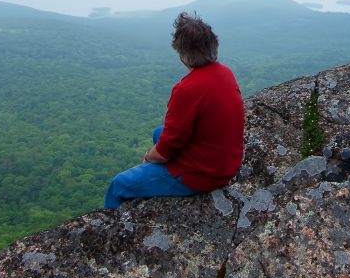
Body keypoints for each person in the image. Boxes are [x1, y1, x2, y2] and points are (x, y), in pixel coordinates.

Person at [104, 12, 245, 209]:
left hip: (202, 175)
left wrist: (147, 158)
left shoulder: (187, 90)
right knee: (157, 133)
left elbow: (164, 152)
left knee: (119, 185)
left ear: (182, 54)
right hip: (225, 162)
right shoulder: (225, 73)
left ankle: (114, 232)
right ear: (214, 46)